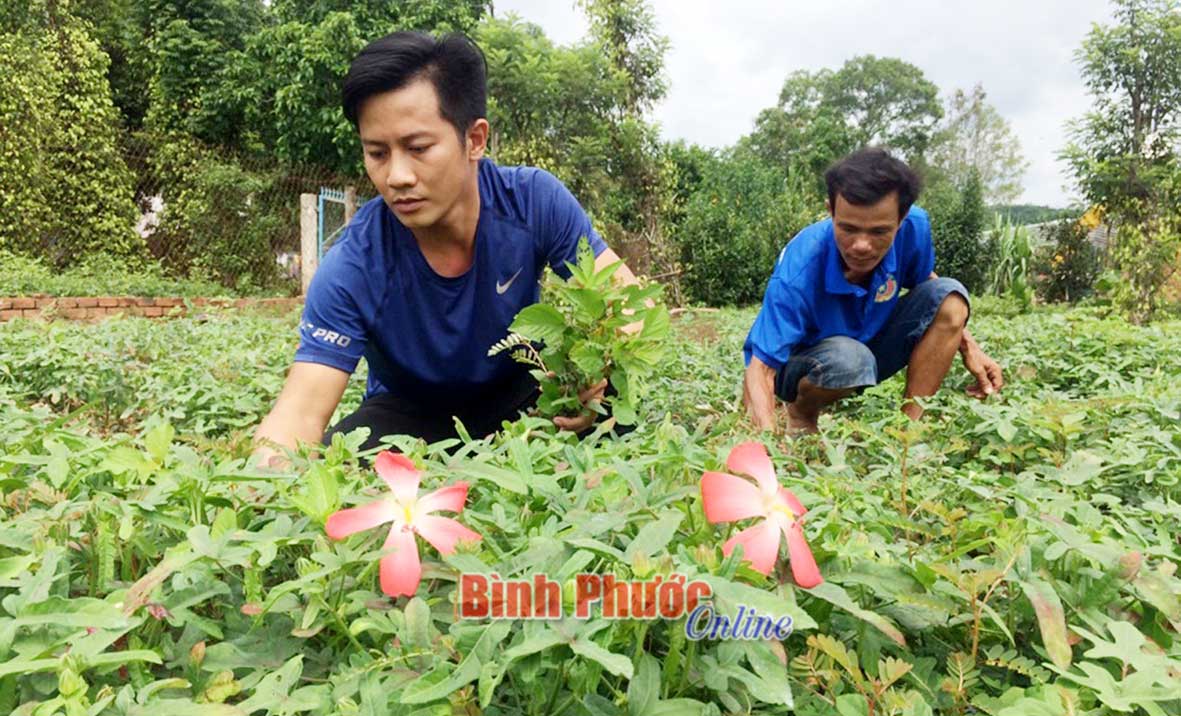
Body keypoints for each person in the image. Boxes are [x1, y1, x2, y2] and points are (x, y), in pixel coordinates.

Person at [252, 31, 640, 465]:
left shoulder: (532, 202)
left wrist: (592, 376)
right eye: (377, 153)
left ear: (474, 140)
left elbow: (627, 301)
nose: (397, 176)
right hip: (409, 416)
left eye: (418, 148)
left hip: (525, 396)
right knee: (341, 465)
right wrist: (261, 484)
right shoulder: (355, 262)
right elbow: (299, 413)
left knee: (613, 416)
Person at [742, 148, 1004, 434]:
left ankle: (907, 434)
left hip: (868, 345)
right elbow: (761, 370)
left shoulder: (914, 228)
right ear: (831, 210)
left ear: (902, 218)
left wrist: (969, 346)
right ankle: (802, 412)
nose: (861, 245)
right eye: (848, 228)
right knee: (851, 360)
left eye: (879, 232)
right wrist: (765, 452)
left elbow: (929, 286)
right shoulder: (800, 269)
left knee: (951, 295)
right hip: (802, 365)